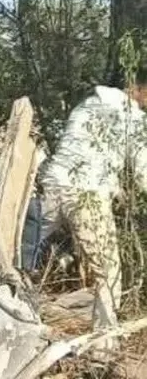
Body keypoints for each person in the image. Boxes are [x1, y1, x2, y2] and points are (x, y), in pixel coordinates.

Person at [34, 76, 147, 330]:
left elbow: (90, 154)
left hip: (54, 184)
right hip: (88, 195)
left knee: (25, 252)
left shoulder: (88, 104)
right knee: (108, 273)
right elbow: (143, 172)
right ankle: (102, 346)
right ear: (142, 89)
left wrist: (116, 189)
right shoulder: (134, 118)